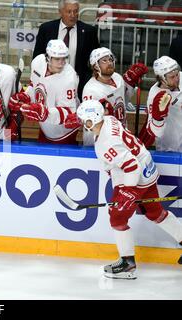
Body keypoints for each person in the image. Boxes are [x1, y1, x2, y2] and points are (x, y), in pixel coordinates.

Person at [76, 99, 182, 279]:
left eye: (82, 120)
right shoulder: (108, 119)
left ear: (92, 119)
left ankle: (127, 264)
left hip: (134, 175)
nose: (81, 123)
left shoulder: (105, 143)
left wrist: (128, 192)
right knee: (155, 213)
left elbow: (131, 166)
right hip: (145, 165)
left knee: (117, 218)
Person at [14, 39, 79, 144]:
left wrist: (45, 113)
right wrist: (26, 96)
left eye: (64, 58)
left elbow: (69, 112)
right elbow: (33, 85)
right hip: (44, 125)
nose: (61, 63)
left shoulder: (69, 78)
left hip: (63, 132)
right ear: (48, 57)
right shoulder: (37, 62)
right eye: (57, 59)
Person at [32, 0, 99, 99]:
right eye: (69, 11)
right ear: (60, 12)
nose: (73, 15)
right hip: (50, 83)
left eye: (75, 11)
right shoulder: (46, 29)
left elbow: (94, 59)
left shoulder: (89, 31)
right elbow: (38, 56)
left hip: (77, 85)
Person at [82, 47, 148, 145]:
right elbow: (90, 123)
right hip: (100, 143)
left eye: (110, 59)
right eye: (104, 61)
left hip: (121, 136)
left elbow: (123, 101)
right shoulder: (91, 90)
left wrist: (130, 83)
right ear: (95, 66)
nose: (109, 63)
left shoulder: (117, 78)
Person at [139, 56, 181, 152]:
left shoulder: (180, 77)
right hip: (170, 148)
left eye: (177, 74)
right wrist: (158, 117)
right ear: (162, 79)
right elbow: (154, 132)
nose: (177, 79)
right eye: (172, 77)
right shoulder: (155, 96)